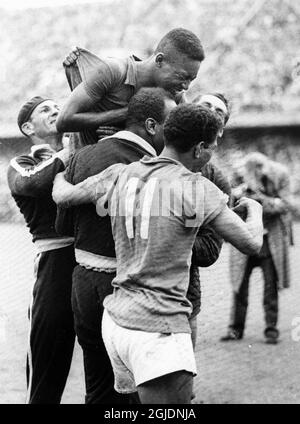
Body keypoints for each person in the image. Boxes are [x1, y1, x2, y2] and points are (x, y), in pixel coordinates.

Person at [54, 104, 263, 403]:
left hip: (117, 322)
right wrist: (255, 211)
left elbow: (61, 195)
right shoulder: (197, 188)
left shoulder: (120, 173)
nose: (213, 153)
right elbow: (252, 244)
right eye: (214, 146)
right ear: (200, 148)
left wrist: (63, 167)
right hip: (157, 327)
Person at [53, 87, 177, 404]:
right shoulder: (154, 166)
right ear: (151, 125)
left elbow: (62, 227)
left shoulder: (81, 157)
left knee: (96, 386)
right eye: (171, 123)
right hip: (129, 289)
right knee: (135, 389)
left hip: (84, 284)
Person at [7, 97, 76, 404]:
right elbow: (34, 184)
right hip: (55, 266)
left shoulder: (82, 153)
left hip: (98, 263)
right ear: (27, 127)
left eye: (58, 107)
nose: (55, 111)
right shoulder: (22, 164)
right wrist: (69, 151)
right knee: (47, 369)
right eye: (45, 110)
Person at [56, 28, 205, 147]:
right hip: (85, 169)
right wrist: (125, 114)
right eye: (182, 77)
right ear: (159, 60)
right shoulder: (113, 72)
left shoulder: (174, 94)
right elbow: (63, 121)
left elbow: (190, 138)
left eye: (191, 79)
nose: (186, 86)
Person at [220, 152, 295, 344]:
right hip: (244, 238)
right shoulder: (239, 175)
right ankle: (235, 329)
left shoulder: (280, 174)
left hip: (271, 241)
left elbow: (286, 204)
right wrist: (240, 195)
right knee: (239, 285)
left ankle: (271, 330)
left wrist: (259, 200)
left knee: (271, 288)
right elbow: (230, 206)